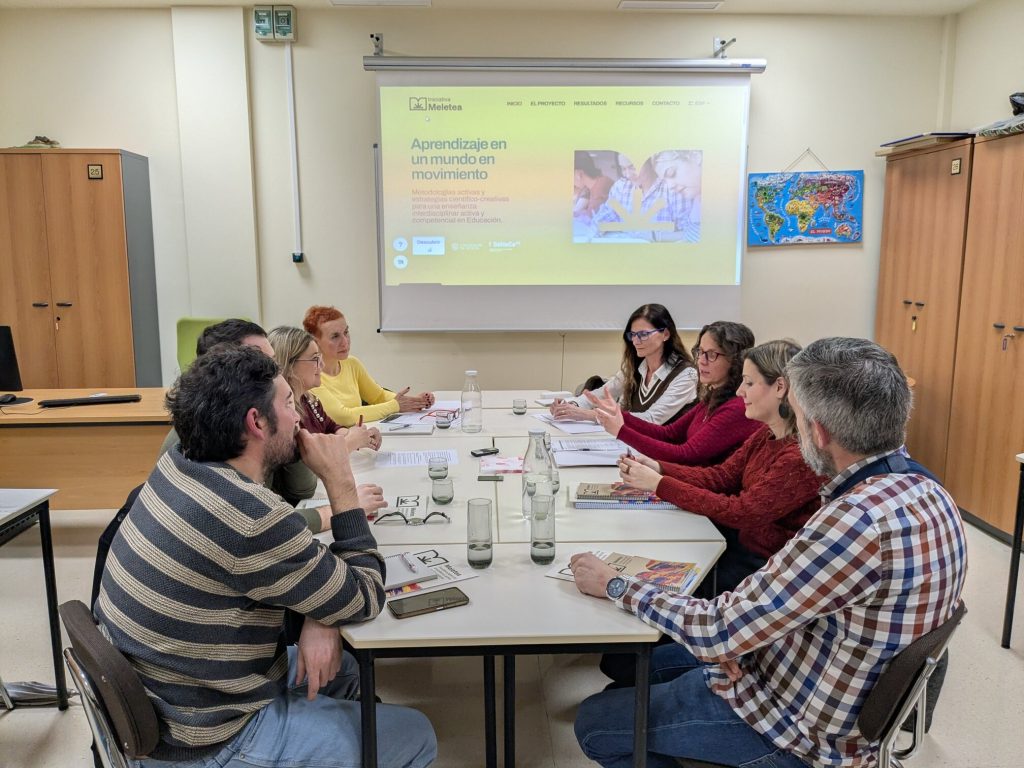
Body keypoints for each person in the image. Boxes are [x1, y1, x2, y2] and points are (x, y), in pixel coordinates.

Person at [570, 337, 967, 768]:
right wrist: (747, 644)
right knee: (644, 670)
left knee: (594, 722)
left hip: (799, 732)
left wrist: (614, 583)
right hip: (806, 674)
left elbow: (719, 627)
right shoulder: (930, 492)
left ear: (817, 431)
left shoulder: (853, 522)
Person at [95, 345, 437, 768]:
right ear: (256, 422)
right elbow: (364, 596)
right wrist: (340, 481)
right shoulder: (248, 515)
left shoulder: (177, 468)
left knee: (345, 669)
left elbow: (299, 573)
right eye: (290, 405)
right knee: (417, 734)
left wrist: (319, 611)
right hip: (208, 739)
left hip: (170, 695)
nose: (298, 418)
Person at [617, 339, 824, 596]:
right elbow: (721, 476)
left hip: (764, 571)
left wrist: (659, 483)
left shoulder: (798, 456)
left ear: (780, 387)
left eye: (749, 383)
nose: (740, 392)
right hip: (738, 549)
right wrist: (659, 468)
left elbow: (741, 511)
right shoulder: (765, 434)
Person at [158, 319, 323, 531]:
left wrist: (290, 419)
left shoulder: (261, 419)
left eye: (274, 364)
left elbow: (301, 491)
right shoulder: (205, 435)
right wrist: (329, 512)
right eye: (260, 364)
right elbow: (248, 522)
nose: (273, 375)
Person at [585, 321, 759, 466]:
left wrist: (622, 431)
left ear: (736, 360)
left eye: (712, 354)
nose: (701, 361)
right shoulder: (714, 396)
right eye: (700, 352)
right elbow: (668, 434)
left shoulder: (736, 407)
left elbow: (687, 454)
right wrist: (619, 415)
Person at [268, 325, 388, 521]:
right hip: (298, 509)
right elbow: (308, 469)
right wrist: (351, 442)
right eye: (315, 359)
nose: (322, 366)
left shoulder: (308, 399)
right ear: (289, 365)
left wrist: (351, 435)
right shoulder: (285, 416)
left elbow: (331, 427)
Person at [549, 304, 697, 426]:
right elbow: (597, 395)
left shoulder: (687, 374)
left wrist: (590, 415)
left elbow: (652, 419)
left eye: (643, 334)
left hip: (665, 453)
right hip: (635, 446)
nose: (636, 341)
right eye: (632, 335)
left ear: (665, 334)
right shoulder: (635, 368)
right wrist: (570, 406)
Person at [304, 306, 433, 426]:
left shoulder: (351, 363)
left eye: (346, 332)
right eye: (335, 336)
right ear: (315, 342)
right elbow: (344, 417)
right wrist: (396, 406)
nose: (345, 341)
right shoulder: (311, 375)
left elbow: (378, 396)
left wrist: (415, 402)